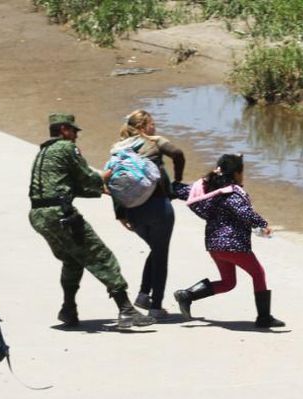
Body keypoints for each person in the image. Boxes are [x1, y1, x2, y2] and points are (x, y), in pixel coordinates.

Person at [28, 112, 155, 329]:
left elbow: (71, 186)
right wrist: (114, 170)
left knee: (72, 260)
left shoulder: (44, 152)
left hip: (39, 216)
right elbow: (89, 177)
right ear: (63, 130)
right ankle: (126, 310)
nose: (76, 135)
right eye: (73, 131)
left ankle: (68, 309)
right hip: (60, 215)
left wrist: (100, 190)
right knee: (102, 257)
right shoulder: (66, 148)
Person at [172, 153, 285, 328]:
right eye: (242, 171)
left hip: (214, 245)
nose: (243, 176)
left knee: (228, 282)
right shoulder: (231, 193)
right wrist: (263, 224)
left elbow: (184, 191)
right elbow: (245, 212)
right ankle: (264, 317)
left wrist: (166, 188)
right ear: (236, 173)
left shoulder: (209, 190)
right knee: (258, 273)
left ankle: (187, 295)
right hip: (233, 245)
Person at [111, 109, 185, 320]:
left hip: (132, 210)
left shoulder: (118, 148)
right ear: (144, 126)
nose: (155, 127)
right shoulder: (154, 141)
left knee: (156, 248)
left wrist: (120, 214)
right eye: (152, 123)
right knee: (161, 255)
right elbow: (178, 154)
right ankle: (156, 306)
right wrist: (177, 180)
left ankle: (143, 295)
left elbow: (116, 181)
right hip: (159, 206)